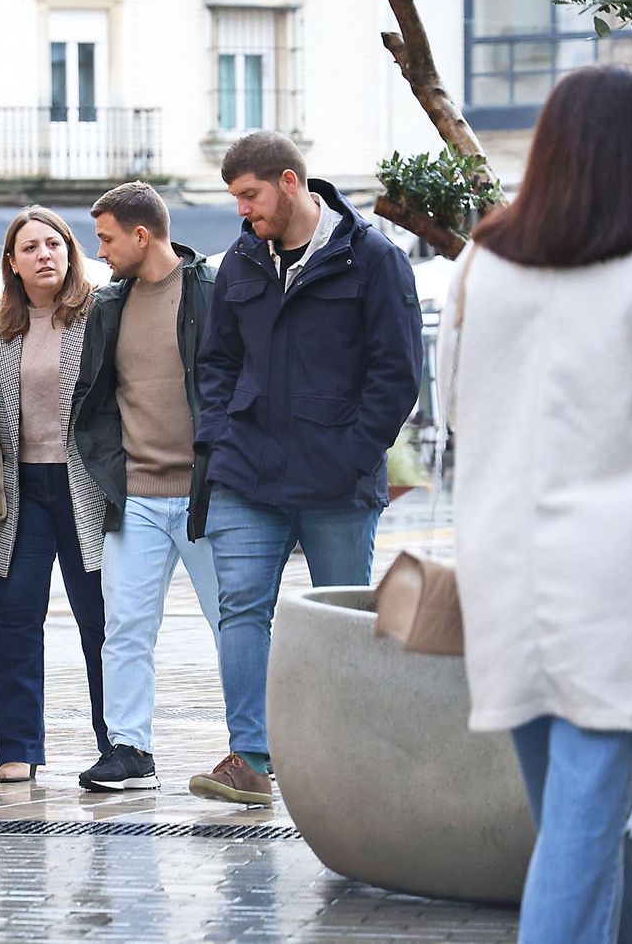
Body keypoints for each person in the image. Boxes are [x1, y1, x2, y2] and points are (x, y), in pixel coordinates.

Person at [441, 65, 632, 943]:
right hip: (620, 581)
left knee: (586, 826)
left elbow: (450, 409)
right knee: (585, 829)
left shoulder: (486, 259)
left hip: (504, 571)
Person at [188, 131, 422, 806]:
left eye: (249, 195)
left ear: (289, 182)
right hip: (247, 470)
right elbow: (217, 361)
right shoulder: (240, 259)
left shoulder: (372, 258)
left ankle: (350, 758)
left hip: (336, 479)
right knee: (242, 607)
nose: (242, 210)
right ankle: (250, 757)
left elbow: (396, 373)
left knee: (342, 618)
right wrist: (220, 435)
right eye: (235, 198)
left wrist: (351, 453)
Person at [70, 180, 220, 792]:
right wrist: (114, 468)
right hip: (135, 497)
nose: (98, 250)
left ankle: (260, 749)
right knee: (125, 625)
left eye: (105, 238)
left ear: (140, 234)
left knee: (234, 623)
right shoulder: (109, 306)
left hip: (211, 496)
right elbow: (96, 400)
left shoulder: (212, 291)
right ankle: (129, 750)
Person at [0, 205, 108, 784]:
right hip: (19, 492)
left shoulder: (99, 314)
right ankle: (17, 750)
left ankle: (119, 743)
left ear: (70, 252)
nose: (43, 255)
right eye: (29, 248)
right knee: (16, 622)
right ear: (13, 263)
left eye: (52, 244)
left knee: (101, 623)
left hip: (85, 489)